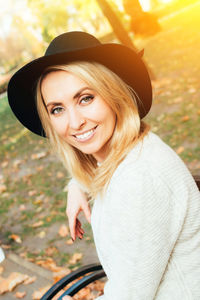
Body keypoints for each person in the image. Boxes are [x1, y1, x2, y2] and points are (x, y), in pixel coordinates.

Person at [7, 31, 200, 299]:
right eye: (57, 109)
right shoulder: (127, 154)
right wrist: (77, 185)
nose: (74, 123)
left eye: (85, 98)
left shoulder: (139, 178)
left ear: (114, 95)